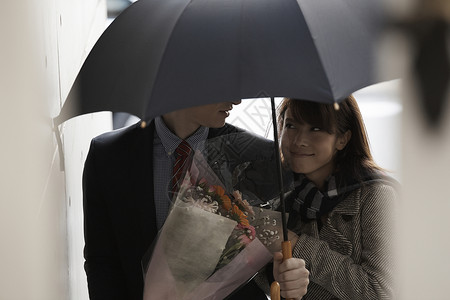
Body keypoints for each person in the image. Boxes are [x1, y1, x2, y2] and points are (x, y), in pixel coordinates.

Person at [82, 100, 309, 300]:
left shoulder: (261, 157)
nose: (236, 100)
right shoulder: (109, 155)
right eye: (223, 86)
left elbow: (266, 262)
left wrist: (285, 275)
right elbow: (102, 260)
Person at [275, 96, 398, 299]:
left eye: (315, 129)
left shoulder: (376, 196)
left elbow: (380, 292)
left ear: (343, 139)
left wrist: (297, 245)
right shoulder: (283, 200)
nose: (298, 141)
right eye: (291, 126)